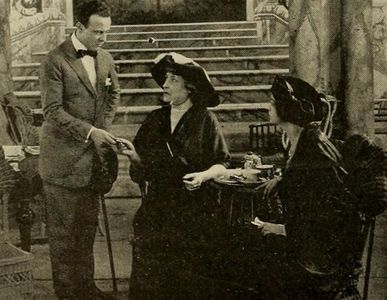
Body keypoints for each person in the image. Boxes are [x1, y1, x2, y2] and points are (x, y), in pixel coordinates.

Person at [118, 52, 230, 299]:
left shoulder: (205, 120)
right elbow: (142, 170)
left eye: (173, 80)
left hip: (194, 207)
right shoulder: (155, 119)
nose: (165, 85)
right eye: (165, 79)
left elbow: (221, 164)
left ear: (190, 87)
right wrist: (133, 157)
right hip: (157, 205)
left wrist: (202, 176)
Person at [254, 75, 363, 299]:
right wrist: (282, 180)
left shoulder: (313, 150)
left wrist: (280, 229)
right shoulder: (302, 141)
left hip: (322, 256)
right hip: (312, 243)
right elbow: (308, 187)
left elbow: (329, 214)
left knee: (249, 265)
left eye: (273, 102)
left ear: (289, 108)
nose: (268, 106)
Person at [38, 1, 120, 299]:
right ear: (79, 27)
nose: (103, 38)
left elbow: (113, 96)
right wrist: (90, 132)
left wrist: (104, 127)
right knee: (63, 238)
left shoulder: (106, 57)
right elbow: (52, 111)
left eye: (107, 32)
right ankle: (68, 294)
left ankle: (87, 288)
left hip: (93, 163)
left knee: (86, 231)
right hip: (61, 164)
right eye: (98, 32)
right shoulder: (54, 60)